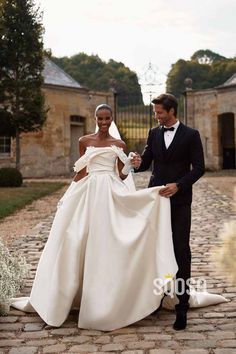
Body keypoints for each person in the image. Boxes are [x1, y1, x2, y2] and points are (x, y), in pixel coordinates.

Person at [10, 104, 180, 331]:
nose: (103, 122)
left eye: (107, 118)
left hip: (110, 191)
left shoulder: (119, 144)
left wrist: (129, 164)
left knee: (107, 241)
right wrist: (68, 196)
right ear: (95, 118)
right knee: (76, 238)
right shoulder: (84, 141)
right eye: (100, 118)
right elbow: (81, 172)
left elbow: (120, 175)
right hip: (88, 193)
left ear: (112, 119)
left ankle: (106, 300)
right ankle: (71, 295)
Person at [135, 93, 205, 330]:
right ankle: (157, 298)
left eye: (160, 112)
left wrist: (179, 185)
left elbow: (199, 168)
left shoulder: (191, 135)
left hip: (180, 201)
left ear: (172, 111)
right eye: (155, 112)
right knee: (155, 249)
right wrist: (135, 162)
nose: (156, 116)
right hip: (154, 201)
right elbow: (145, 164)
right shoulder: (154, 133)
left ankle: (181, 307)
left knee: (180, 251)